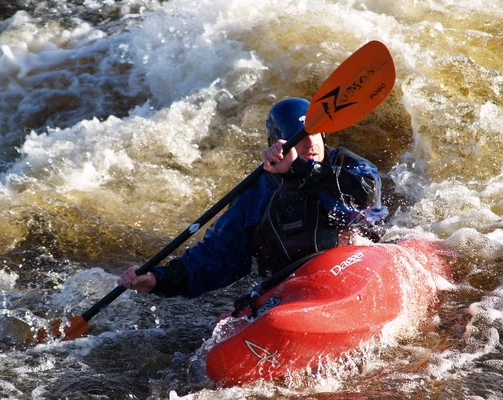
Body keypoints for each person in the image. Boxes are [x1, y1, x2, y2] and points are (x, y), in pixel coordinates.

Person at [118, 97, 388, 298]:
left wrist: (304, 169)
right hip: (295, 284)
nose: (310, 145)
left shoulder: (347, 165)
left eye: (314, 134)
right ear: (274, 143)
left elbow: (365, 193)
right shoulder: (257, 192)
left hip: (357, 265)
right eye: (299, 138)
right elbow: (219, 256)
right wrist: (159, 280)